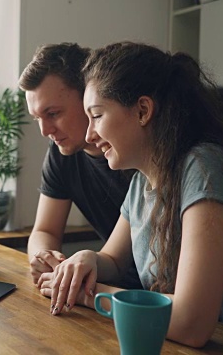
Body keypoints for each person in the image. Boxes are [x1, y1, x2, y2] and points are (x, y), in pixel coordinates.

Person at [38, 41, 223, 347]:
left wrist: (89, 294)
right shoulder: (141, 182)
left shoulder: (203, 168)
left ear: (143, 110)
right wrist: (86, 259)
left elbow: (192, 322)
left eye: (96, 116)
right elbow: (114, 260)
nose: (89, 135)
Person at [18, 42, 139, 288]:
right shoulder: (61, 154)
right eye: (37, 119)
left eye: (52, 113)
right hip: (112, 286)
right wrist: (46, 259)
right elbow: (45, 231)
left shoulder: (140, 154)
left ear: (90, 95)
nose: (45, 131)